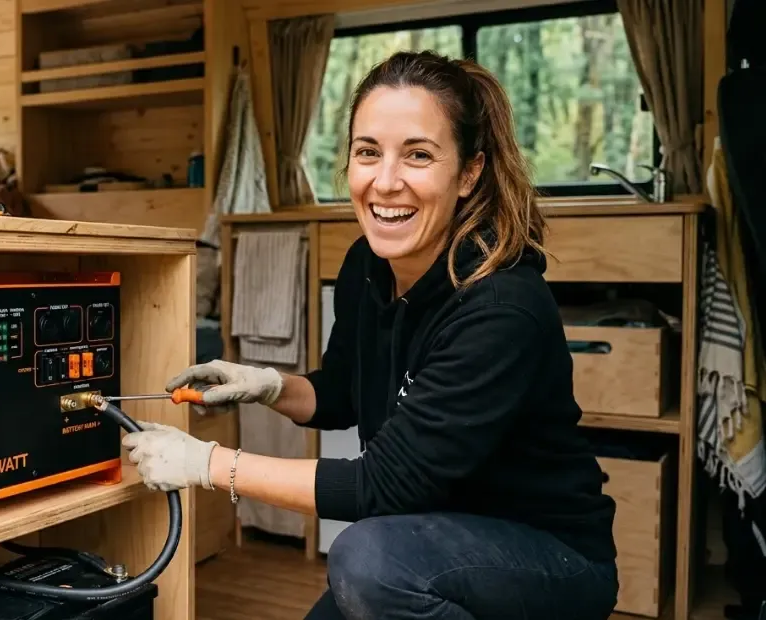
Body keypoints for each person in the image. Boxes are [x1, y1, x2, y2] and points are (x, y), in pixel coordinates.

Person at [121, 50, 619, 620]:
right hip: (429, 542)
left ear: (470, 172)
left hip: (545, 557)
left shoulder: (501, 308)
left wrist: (206, 463)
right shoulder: (367, 265)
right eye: (367, 152)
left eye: (418, 155)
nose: (385, 183)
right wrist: (264, 385)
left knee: (364, 561)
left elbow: (382, 487)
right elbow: (341, 394)